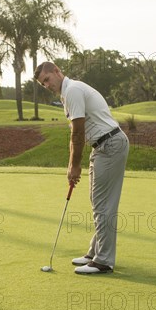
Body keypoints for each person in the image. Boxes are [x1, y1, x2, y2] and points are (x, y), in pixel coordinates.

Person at [34, 61, 129, 275]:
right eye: (43, 84)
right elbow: (74, 136)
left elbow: (77, 133)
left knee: (103, 205)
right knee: (99, 203)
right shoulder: (67, 94)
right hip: (102, 147)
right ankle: (95, 253)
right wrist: (71, 165)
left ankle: (103, 261)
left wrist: (75, 166)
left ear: (57, 71)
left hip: (110, 144)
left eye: (47, 79)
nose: (47, 85)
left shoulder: (74, 90)